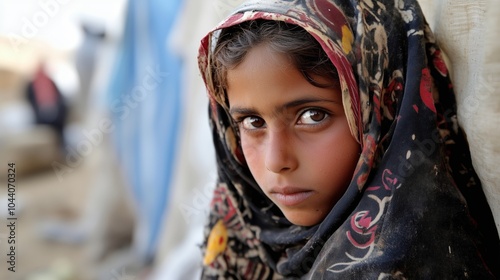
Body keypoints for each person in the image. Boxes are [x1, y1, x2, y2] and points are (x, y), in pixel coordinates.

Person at [197, 0, 500, 278]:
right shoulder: (241, 237)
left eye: (312, 116)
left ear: (384, 110)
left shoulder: (407, 264)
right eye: (253, 122)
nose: (276, 161)